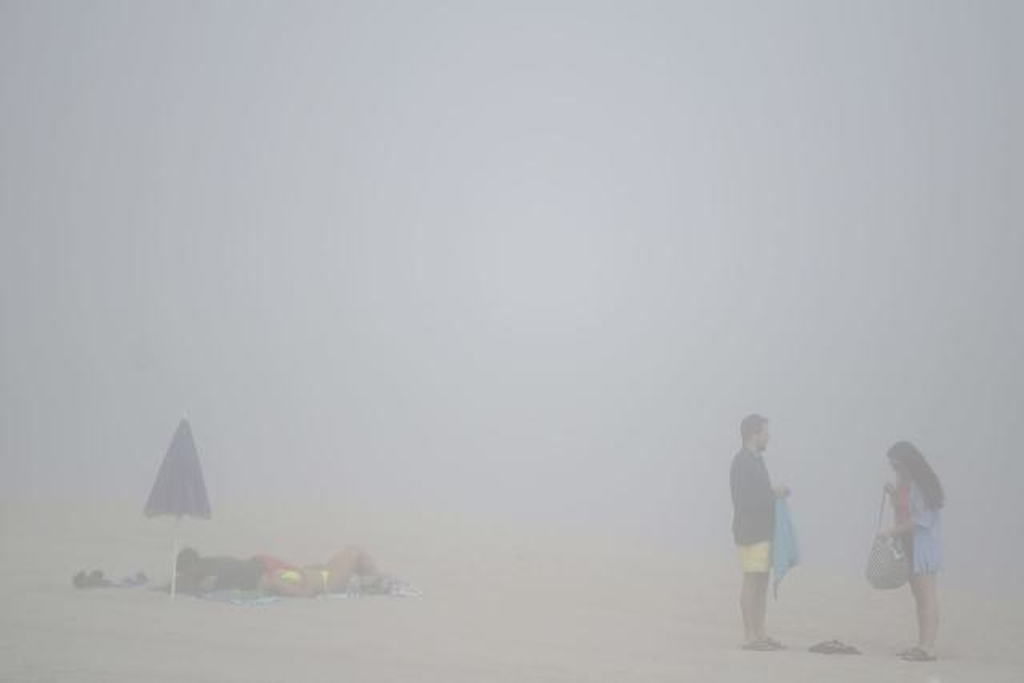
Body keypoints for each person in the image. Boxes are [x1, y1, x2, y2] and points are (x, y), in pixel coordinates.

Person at [729, 414, 790, 651]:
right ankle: (749, 636)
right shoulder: (742, 462)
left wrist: (774, 494)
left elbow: (758, 493)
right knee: (752, 580)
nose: (768, 437)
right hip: (749, 531)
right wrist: (774, 494)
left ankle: (760, 633)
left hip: (762, 530)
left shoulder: (757, 460)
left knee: (762, 582)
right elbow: (745, 500)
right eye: (765, 432)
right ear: (754, 434)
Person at [881, 441, 944, 662]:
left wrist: (893, 531)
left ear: (908, 463)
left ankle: (928, 647)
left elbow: (921, 519)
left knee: (927, 595)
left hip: (922, 547)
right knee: (918, 596)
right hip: (908, 545)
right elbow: (902, 510)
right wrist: (892, 494)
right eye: (892, 466)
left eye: (897, 465)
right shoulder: (904, 482)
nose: (895, 469)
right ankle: (921, 644)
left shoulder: (922, 484)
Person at [175, 546, 381, 597]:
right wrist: (304, 592)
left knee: (352, 554)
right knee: (356, 552)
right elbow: (303, 592)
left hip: (317, 575)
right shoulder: (271, 576)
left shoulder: (266, 573)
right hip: (327, 582)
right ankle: (375, 583)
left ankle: (373, 581)